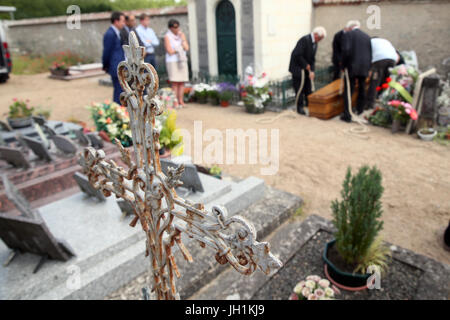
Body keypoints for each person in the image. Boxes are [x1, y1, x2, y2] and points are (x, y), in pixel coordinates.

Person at [288, 26, 327, 115]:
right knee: (299, 89)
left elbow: (312, 58)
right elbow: (297, 54)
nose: (320, 40)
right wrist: (306, 65)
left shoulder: (315, 43)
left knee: (308, 88)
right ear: (316, 35)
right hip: (298, 69)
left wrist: (312, 70)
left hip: (306, 70)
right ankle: (299, 107)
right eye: (320, 38)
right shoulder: (304, 40)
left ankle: (309, 105)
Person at [340, 20, 372, 122]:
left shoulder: (348, 35)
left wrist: (343, 65)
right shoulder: (367, 36)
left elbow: (346, 51)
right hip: (364, 67)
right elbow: (370, 53)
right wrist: (369, 67)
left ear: (350, 27)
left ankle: (347, 114)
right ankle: (359, 110)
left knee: (349, 90)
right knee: (362, 89)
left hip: (352, 66)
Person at [366, 37, 401, 109]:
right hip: (392, 59)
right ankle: (383, 100)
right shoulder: (385, 41)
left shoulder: (369, 42)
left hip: (379, 59)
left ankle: (369, 104)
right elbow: (398, 56)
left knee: (375, 81)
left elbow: (366, 56)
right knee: (386, 81)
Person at [164, 19, 190, 108]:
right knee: (175, 83)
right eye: (175, 27)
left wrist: (182, 39)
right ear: (171, 28)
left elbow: (186, 48)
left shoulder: (181, 36)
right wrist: (178, 49)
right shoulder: (167, 36)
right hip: (173, 61)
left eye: (178, 27)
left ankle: (181, 101)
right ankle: (174, 102)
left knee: (182, 82)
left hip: (182, 60)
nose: (177, 29)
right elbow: (170, 51)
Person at [102, 11, 126, 105]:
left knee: (121, 90)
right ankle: (118, 111)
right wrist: (105, 65)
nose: (124, 23)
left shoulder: (116, 32)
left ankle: (120, 110)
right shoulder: (110, 34)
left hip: (119, 65)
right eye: (122, 21)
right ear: (116, 21)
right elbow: (106, 52)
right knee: (118, 91)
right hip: (115, 66)